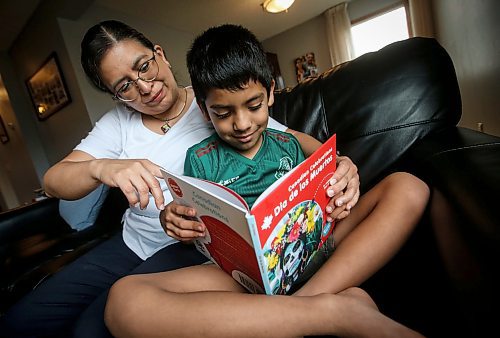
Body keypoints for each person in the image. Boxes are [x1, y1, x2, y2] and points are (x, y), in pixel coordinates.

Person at [0, 20, 361, 338]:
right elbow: (54, 180)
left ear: (159, 54)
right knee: (22, 321)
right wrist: (102, 167)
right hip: (130, 242)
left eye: (144, 66)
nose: (143, 87)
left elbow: (293, 139)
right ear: (115, 96)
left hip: (188, 247)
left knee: (93, 328)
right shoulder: (117, 124)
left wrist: (338, 162)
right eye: (124, 86)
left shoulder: (215, 102)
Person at [103, 24, 428, 338]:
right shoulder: (200, 159)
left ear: (271, 93)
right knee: (123, 301)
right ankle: (330, 310)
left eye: (254, 105)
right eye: (223, 112)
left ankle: (300, 308)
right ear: (204, 111)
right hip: (244, 276)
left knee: (409, 186)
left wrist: (338, 183)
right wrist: (175, 221)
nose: (242, 123)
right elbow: (196, 228)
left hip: (317, 246)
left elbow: (323, 183)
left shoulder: (288, 144)